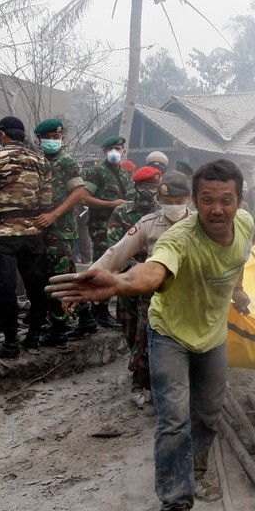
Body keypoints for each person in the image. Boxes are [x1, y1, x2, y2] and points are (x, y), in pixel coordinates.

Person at [47, 159, 253, 511]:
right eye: (207, 200)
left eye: (225, 200)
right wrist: (116, 283)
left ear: (239, 201)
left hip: (212, 336)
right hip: (171, 333)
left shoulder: (244, 223)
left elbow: (238, 259)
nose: (217, 209)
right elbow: (150, 274)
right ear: (195, 202)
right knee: (174, 419)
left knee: (208, 414)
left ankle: (194, 470)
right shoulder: (178, 238)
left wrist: (238, 289)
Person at [95, 171, 192, 409]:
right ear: (160, 199)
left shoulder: (199, 225)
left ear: (189, 198)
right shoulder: (148, 223)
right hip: (153, 296)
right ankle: (144, 384)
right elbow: (114, 254)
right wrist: (89, 279)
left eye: (179, 202)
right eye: (168, 202)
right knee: (147, 342)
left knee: (188, 345)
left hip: (190, 299)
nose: (174, 206)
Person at [0, 116, 51, 359]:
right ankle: (34, 338)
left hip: (4, 233)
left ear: (3, 135)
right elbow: (47, 201)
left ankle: (10, 343)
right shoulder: (41, 160)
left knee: (5, 288)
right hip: (32, 233)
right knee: (37, 286)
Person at [31, 118, 97, 346]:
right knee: (68, 276)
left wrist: (54, 215)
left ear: (62, 139)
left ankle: (58, 330)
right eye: (47, 138)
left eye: (55, 138)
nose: (52, 141)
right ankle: (86, 318)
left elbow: (78, 194)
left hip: (60, 230)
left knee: (56, 280)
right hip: (44, 231)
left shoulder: (66, 161)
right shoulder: (37, 161)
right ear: (39, 140)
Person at [104, 166, 163, 404]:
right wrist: (129, 273)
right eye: (143, 187)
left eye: (152, 187)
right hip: (128, 279)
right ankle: (137, 369)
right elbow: (114, 246)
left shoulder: (163, 214)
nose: (148, 192)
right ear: (135, 187)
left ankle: (140, 379)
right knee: (129, 328)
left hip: (153, 281)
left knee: (145, 329)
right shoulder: (122, 212)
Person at [82, 135, 133, 329]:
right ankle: (99, 310)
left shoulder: (124, 174)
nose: (115, 152)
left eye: (118, 148)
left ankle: (113, 310)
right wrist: (111, 204)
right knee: (103, 265)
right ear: (105, 151)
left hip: (119, 228)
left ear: (123, 151)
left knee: (118, 266)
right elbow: (85, 199)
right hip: (101, 226)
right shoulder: (98, 172)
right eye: (111, 148)